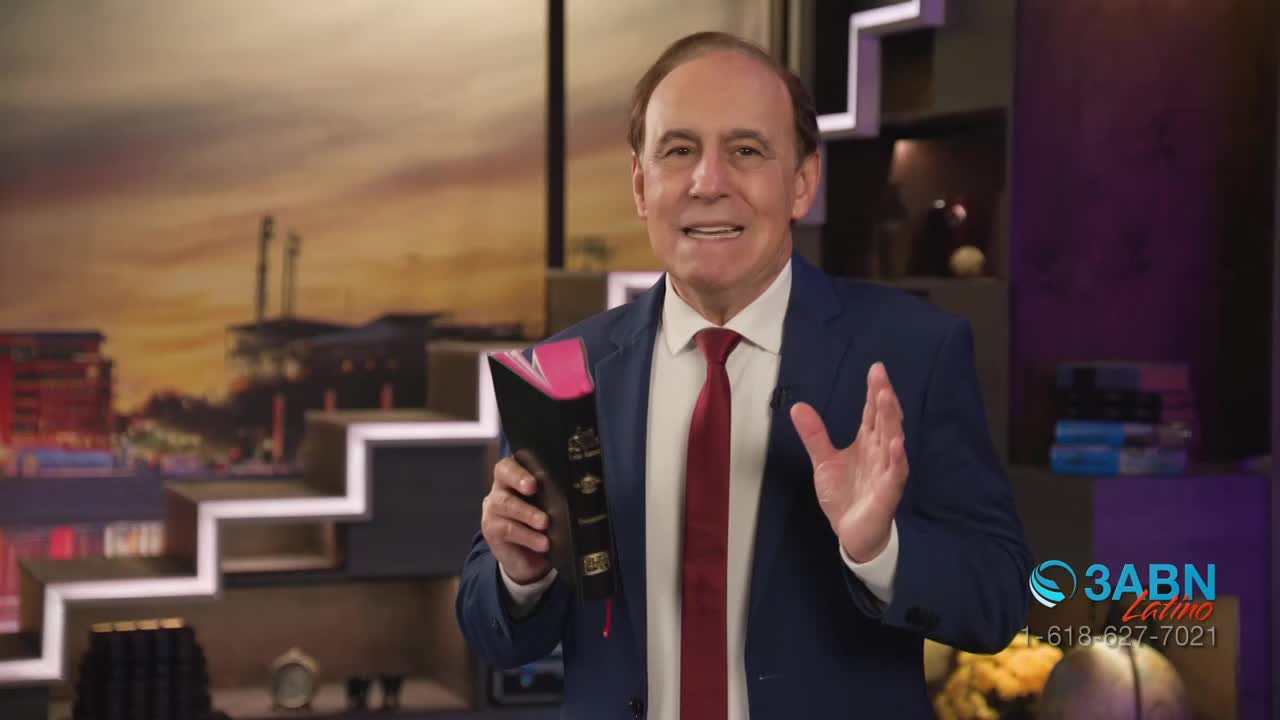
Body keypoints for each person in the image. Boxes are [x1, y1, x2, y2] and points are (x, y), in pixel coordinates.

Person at [456, 31, 1032, 719]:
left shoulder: (913, 352)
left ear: (802, 182)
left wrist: (879, 548)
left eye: (746, 150)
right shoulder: (560, 373)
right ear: (642, 186)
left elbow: (1000, 598)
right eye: (678, 151)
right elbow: (491, 630)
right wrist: (522, 574)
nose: (708, 182)